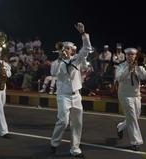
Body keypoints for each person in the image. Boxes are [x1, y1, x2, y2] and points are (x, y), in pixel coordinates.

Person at [50, 22, 92, 158]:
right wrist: (61, 59)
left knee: (77, 123)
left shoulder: (76, 60)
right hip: (63, 96)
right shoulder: (57, 63)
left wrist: (82, 34)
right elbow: (55, 73)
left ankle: (75, 148)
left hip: (76, 96)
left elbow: (86, 49)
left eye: (68, 49)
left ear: (71, 50)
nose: (66, 50)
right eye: (64, 48)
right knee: (63, 121)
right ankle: (55, 142)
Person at [115, 48, 146, 151]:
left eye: (132, 55)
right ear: (126, 56)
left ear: (135, 56)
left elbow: (145, 76)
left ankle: (120, 127)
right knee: (132, 117)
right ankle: (135, 142)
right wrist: (128, 69)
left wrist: (140, 66)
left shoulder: (138, 66)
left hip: (136, 95)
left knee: (135, 116)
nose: (130, 56)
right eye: (128, 55)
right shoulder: (121, 66)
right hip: (124, 94)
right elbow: (119, 78)